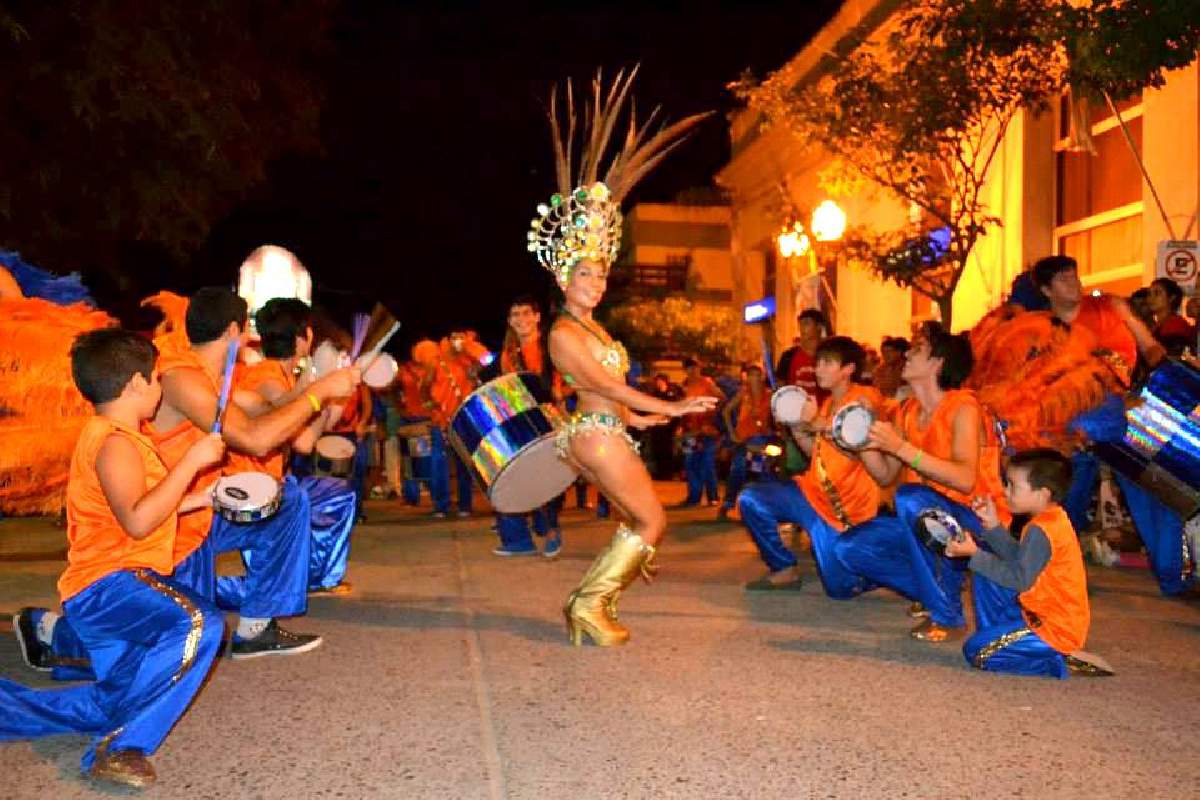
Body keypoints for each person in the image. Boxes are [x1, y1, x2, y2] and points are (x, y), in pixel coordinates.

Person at [532, 70, 715, 646]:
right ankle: (588, 605)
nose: (596, 283)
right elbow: (604, 389)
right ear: (565, 277)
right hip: (594, 433)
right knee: (652, 519)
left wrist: (645, 418)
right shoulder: (563, 333)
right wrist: (678, 405)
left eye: (602, 274)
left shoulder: (591, 326)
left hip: (607, 428)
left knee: (640, 520)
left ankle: (590, 604)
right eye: (585, 273)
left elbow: (610, 396)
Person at [1, 329, 226, 788]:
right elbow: (138, 521)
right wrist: (193, 461)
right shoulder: (117, 443)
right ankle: (119, 748)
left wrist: (200, 496)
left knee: (113, 702)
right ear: (137, 384)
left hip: (101, 590)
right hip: (111, 585)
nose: (161, 390)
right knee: (199, 623)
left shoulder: (110, 435)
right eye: (157, 380)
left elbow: (139, 503)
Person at [833, 323, 1010, 642]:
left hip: (978, 522)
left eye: (917, 349)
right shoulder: (907, 411)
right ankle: (938, 591)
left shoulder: (963, 407)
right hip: (926, 520)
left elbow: (965, 479)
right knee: (850, 548)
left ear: (937, 362)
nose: (907, 355)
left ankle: (949, 615)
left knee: (911, 498)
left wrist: (900, 448)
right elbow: (885, 474)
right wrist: (859, 439)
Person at [223, 298, 358, 596]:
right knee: (315, 497)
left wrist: (335, 399)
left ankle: (314, 577)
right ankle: (274, 584)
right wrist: (322, 388)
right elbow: (305, 441)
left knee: (336, 493)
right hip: (252, 489)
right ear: (304, 337)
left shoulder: (282, 377)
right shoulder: (266, 378)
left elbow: (309, 432)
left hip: (273, 482)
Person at [948, 449, 1112, 678]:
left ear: (1043, 493)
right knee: (986, 571)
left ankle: (1062, 662)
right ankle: (1001, 636)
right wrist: (994, 527)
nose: (1006, 491)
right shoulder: (1049, 519)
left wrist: (973, 554)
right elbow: (1019, 559)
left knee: (977, 652)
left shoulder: (1043, 529)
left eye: (1013, 486)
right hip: (1037, 614)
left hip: (1054, 630)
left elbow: (1019, 579)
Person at [738, 337, 884, 595]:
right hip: (810, 492)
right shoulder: (828, 402)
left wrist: (816, 421)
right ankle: (783, 569)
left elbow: (856, 440)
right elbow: (815, 452)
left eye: (827, 363)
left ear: (848, 369)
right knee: (751, 498)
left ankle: (875, 566)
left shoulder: (865, 397)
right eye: (818, 363)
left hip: (841, 509)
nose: (818, 369)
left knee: (840, 589)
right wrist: (796, 425)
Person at [493, 295, 564, 557]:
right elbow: (509, 387)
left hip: (551, 415)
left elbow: (567, 375)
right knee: (519, 475)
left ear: (537, 318)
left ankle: (550, 530)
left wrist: (560, 389)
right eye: (515, 315)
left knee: (547, 476)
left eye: (526, 313)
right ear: (509, 321)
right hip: (524, 417)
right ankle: (522, 537)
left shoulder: (550, 346)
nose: (521, 319)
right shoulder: (509, 354)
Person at [718, 364, 773, 520]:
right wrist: (732, 432)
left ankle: (758, 508)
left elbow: (777, 417)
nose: (754, 378)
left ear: (762, 377)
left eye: (757, 375)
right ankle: (728, 503)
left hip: (761, 440)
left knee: (761, 473)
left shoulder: (769, 395)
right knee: (738, 471)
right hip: (743, 440)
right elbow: (726, 412)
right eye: (751, 375)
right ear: (746, 377)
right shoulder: (743, 393)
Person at [678, 357, 722, 507]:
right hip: (691, 430)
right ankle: (694, 497)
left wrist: (710, 412)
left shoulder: (707, 383)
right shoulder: (684, 386)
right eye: (689, 368)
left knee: (707, 464)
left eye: (694, 367)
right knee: (691, 464)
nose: (692, 371)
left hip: (706, 429)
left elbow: (721, 399)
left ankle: (712, 496)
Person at [1147, 276, 1196, 343]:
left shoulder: (1176, 325)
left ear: (1171, 298)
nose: (1151, 298)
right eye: (1149, 294)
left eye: (1157, 293)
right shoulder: (1155, 326)